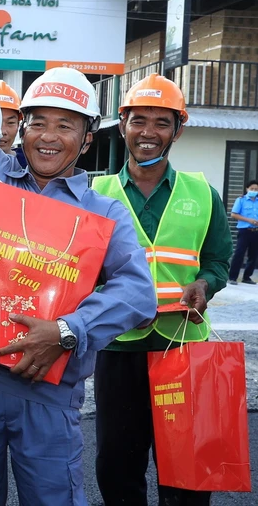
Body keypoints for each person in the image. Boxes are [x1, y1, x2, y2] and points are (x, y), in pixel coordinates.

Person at [0, 0, 156, 505]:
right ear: (20, 127)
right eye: (37, 122)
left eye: (65, 124)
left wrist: (68, 329)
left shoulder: (105, 214)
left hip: (48, 391)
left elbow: (138, 294)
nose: (48, 137)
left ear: (87, 137)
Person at [92, 74, 232, 506]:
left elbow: (218, 262)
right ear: (122, 125)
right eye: (138, 121)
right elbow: (75, 271)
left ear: (178, 129)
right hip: (118, 349)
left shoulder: (203, 194)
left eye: (161, 122)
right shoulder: (94, 193)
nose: (148, 133)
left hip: (186, 346)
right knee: (118, 464)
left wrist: (205, 285)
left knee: (189, 468)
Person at [228, 179, 258, 285]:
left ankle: (247, 277)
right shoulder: (241, 200)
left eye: (256, 189)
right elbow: (234, 214)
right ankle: (232, 277)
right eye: (252, 189)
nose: (254, 190)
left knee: (253, 255)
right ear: (247, 189)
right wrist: (249, 220)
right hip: (245, 230)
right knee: (239, 253)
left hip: (256, 231)